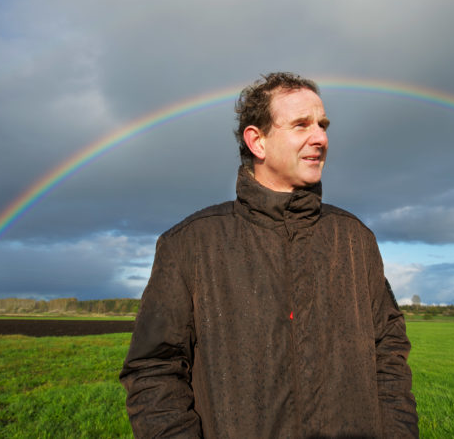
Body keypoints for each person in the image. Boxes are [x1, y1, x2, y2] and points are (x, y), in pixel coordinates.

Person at [120, 72, 418, 438]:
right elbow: (153, 369)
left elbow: (389, 357)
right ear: (257, 141)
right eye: (301, 125)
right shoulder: (190, 245)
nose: (320, 138)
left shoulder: (355, 240)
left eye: (323, 125)